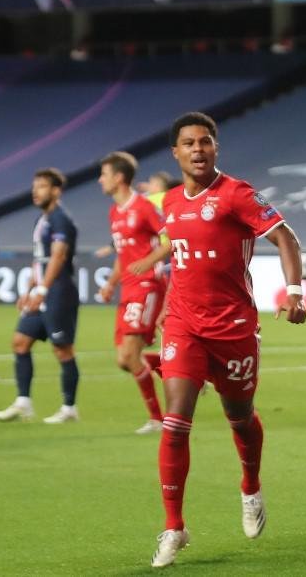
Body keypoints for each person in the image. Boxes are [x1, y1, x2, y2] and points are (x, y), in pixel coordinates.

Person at [142, 112, 306, 568]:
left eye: (206, 142)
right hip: (184, 326)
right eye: (189, 143)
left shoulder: (237, 194)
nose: (198, 149)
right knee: (176, 422)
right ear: (175, 153)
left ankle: (250, 487)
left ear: (216, 149)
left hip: (233, 329)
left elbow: (287, 239)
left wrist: (294, 292)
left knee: (240, 417)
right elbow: (179, 256)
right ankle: (174, 526)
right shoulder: (170, 202)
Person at [0, 168, 81, 424]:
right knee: (20, 342)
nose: (35, 191)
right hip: (43, 290)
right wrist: (29, 288)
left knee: (62, 350)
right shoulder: (41, 220)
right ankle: (23, 403)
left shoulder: (61, 219)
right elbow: (39, 260)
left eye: (42, 186)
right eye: (35, 186)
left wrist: (42, 290)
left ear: (56, 191)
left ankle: (69, 408)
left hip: (59, 292)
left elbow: (58, 256)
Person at [96, 151, 167, 435]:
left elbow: (170, 239)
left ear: (119, 177)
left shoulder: (145, 207)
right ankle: (184, 367)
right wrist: (112, 282)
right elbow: (123, 254)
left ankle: (157, 419)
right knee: (125, 360)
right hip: (128, 288)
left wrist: (149, 262)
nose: (100, 180)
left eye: (104, 174)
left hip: (147, 286)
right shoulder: (114, 212)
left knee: (131, 355)